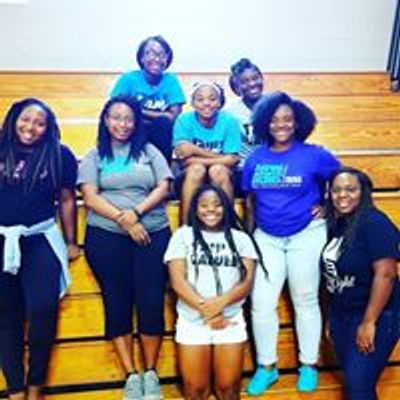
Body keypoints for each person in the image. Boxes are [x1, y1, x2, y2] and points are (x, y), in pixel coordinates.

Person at [242, 91, 341, 395]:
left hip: (307, 233)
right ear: (265, 123)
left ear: (298, 123)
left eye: (287, 119)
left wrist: (328, 204)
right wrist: (249, 238)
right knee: (261, 303)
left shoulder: (315, 155)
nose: (281, 125)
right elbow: (250, 200)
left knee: (305, 299)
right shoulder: (255, 158)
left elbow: (346, 180)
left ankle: (308, 365)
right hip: (266, 237)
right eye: (274, 120)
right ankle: (266, 367)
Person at [78, 96, 172, 400]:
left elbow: (164, 186)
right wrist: (125, 220)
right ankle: (131, 375)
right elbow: (90, 197)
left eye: (128, 118)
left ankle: (151, 373)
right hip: (107, 237)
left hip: (153, 234)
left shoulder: (149, 151)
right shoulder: (95, 156)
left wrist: (136, 213)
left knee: (150, 301)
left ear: (136, 122)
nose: (122, 124)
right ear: (106, 121)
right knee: (116, 302)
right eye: (116, 117)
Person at [0, 98, 79, 400]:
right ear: (13, 119)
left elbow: (67, 199)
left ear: (48, 128)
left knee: (42, 311)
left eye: (39, 123)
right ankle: (15, 389)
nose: (30, 127)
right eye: (25, 119)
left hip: (40, 239)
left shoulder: (60, 154)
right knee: (6, 316)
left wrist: (71, 241)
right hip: (2, 240)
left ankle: (36, 388)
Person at [164, 184, 266, 400]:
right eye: (204, 205)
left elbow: (247, 281)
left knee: (228, 390)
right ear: (195, 209)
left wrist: (220, 305)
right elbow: (177, 282)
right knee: (195, 391)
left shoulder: (241, 238)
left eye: (217, 205)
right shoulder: (182, 236)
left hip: (230, 321)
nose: (211, 209)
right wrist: (208, 312)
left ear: (226, 207)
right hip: (192, 321)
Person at [322, 167, 400, 400]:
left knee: (358, 385)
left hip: (375, 315)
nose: (342, 195)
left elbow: (386, 274)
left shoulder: (374, 223)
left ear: (363, 192)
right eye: (336, 190)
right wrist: (331, 317)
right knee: (356, 383)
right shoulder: (338, 224)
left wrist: (369, 322)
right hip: (342, 315)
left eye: (350, 189)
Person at [173, 82, 242, 223]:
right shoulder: (184, 120)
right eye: (200, 99)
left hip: (224, 175)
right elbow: (185, 161)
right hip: (189, 176)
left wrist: (195, 150)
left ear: (220, 102)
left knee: (217, 170)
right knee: (197, 170)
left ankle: (227, 226)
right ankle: (187, 227)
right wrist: (223, 158)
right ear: (192, 103)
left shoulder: (230, 121)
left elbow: (233, 160)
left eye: (212, 99)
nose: (206, 103)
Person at [111, 35, 186, 163]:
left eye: (161, 54)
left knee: (162, 124)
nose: (156, 58)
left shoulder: (171, 80)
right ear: (141, 58)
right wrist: (157, 115)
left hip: (161, 134)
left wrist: (138, 111)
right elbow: (115, 111)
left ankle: (163, 170)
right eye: (150, 53)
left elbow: (173, 117)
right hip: (132, 130)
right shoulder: (128, 79)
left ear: (167, 58)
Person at [225, 58, 265, 167]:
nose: (252, 84)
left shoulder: (275, 104)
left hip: (273, 164)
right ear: (236, 88)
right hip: (242, 167)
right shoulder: (229, 112)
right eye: (244, 81)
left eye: (255, 78)